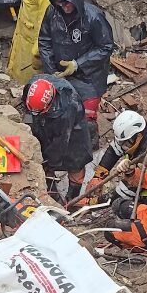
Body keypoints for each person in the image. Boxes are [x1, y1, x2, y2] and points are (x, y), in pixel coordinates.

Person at [39, 0, 114, 149]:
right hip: (61, 74)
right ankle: (66, 148)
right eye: (59, 2)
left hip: (89, 77)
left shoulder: (93, 17)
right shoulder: (52, 13)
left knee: (87, 119)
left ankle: (91, 150)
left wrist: (78, 63)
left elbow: (106, 46)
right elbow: (44, 40)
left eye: (66, 2)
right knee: (62, 113)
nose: (63, 7)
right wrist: (51, 72)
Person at [23, 74, 93, 205]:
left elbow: (61, 141)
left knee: (76, 163)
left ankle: (71, 200)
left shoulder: (68, 106)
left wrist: (50, 162)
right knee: (44, 163)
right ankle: (52, 197)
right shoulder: (33, 85)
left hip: (73, 133)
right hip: (45, 123)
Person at [86, 110, 147, 208]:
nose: (123, 146)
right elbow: (114, 150)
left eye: (125, 142)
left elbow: (130, 187)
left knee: (121, 206)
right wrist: (99, 176)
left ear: (138, 136)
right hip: (137, 175)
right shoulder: (138, 132)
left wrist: (95, 202)